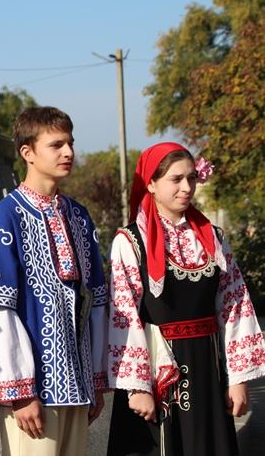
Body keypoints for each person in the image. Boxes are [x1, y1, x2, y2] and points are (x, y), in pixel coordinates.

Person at [106, 142, 265, 456]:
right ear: (150, 184)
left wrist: (238, 378)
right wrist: (137, 388)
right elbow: (124, 315)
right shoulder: (130, 241)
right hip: (157, 371)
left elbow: (235, 307)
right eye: (176, 179)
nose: (186, 187)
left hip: (207, 367)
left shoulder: (213, 237)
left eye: (191, 178)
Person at [0, 107, 109, 456]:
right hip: (33, 394)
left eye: (70, 143)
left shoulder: (78, 216)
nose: (68, 152)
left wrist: (94, 380)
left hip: (77, 385)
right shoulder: (4, 219)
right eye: (56, 145)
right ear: (27, 152)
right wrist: (21, 393)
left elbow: (94, 301)